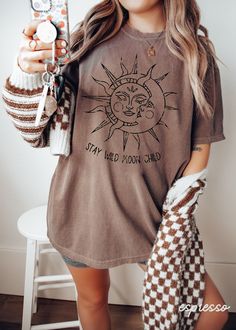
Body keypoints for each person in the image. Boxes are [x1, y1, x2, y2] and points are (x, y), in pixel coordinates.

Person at [2, 0, 228, 329]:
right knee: (93, 299)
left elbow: (200, 147)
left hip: (154, 218)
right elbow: (37, 131)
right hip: (81, 207)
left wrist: (175, 220)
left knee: (213, 311)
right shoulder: (86, 39)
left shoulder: (197, 56)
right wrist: (27, 74)